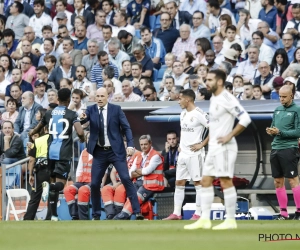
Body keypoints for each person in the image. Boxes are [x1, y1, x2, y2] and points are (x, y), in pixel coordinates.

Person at [184, 69, 251, 230]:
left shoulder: (227, 98)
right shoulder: (214, 96)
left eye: (210, 80)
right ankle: (205, 219)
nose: (206, 83)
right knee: (205, 181)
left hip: (225, 147)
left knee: (225, 181)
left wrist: (230, 135)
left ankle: (230, 220)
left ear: (219, 82)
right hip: (213, 148)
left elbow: (245, 118)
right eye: (206, 80)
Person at [79, 87, 142, 220]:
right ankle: (96, 215)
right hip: (100, 152)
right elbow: (84, 122)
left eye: (102, 96)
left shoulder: (116, 109)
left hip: (116, 151)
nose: (100, 99)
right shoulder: (91, 109)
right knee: (95, 183)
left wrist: (130, 145)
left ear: (108, 97)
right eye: (98, 96)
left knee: (125, 178)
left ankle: (137, 211)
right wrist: (82, 118)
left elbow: (126, 128)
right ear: (95, 98)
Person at [28, 88, 85, 221]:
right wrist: (82, 139)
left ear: (57, 99)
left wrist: (31, 133)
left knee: (52, 183)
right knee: (60, 184)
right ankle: (50, 189)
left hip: (50, 152)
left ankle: (53, 215)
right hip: (63, 153)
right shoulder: (72, 114)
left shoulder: (49, 113)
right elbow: (80, 132)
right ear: (69, 99)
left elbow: (37, 128)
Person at [163, 89, 209, 221]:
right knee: (179, 182)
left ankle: (199, 214)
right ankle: (176, 213)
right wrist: (181, 145)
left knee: (198, 183)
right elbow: (184, 132)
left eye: (180, 99)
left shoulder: (199, 113)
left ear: (187, 100)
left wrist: (202, 144)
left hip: (196, 154)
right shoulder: (183, 113)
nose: (178, 101)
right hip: (183, 154)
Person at [266, 85, 300, 220]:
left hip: (289, 148)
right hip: (276, 147)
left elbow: (298, 131)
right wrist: (271, 131)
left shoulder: (297, 110)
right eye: (280, 96)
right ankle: (283, 213)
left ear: (291, 96)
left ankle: (298, 211)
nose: (281, 99)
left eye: (284, 96)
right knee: (277, 181)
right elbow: (275, 127)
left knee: (292, 180)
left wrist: (280, 132)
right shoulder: (277, 110)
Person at [113, 134, 164, 220]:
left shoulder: (155, 156)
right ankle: (120, 215)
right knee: (127, 195)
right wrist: (140, 171)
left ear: (150, 143)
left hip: (150, 186)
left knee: (135, 198)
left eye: (145, 144)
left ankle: (120, 217)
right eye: (141, 144)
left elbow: (146, 171)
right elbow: (130, 173)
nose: (143, 147)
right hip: (138, 183)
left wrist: (138, 171)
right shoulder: (139, 155)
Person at [23, 125, 52, 220]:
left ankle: (28, 218)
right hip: (54, 169)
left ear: (44, 129)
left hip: (41, 170)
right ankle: (50, 217)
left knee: (35, 196)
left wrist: (30, 174)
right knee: (52, 194)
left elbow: (31, 159)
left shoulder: (38, 140)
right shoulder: (57, 140)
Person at [64, 132, 93, 220]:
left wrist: (100, 185)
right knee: (68, 190)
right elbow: (79, 169)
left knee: (82, 190)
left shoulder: (100, 153)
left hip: (94, 182)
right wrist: (76, 184)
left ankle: (83, 217)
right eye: (88, 139)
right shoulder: (84, 152)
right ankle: (74, 215)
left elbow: (104, 172)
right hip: (82, 181)